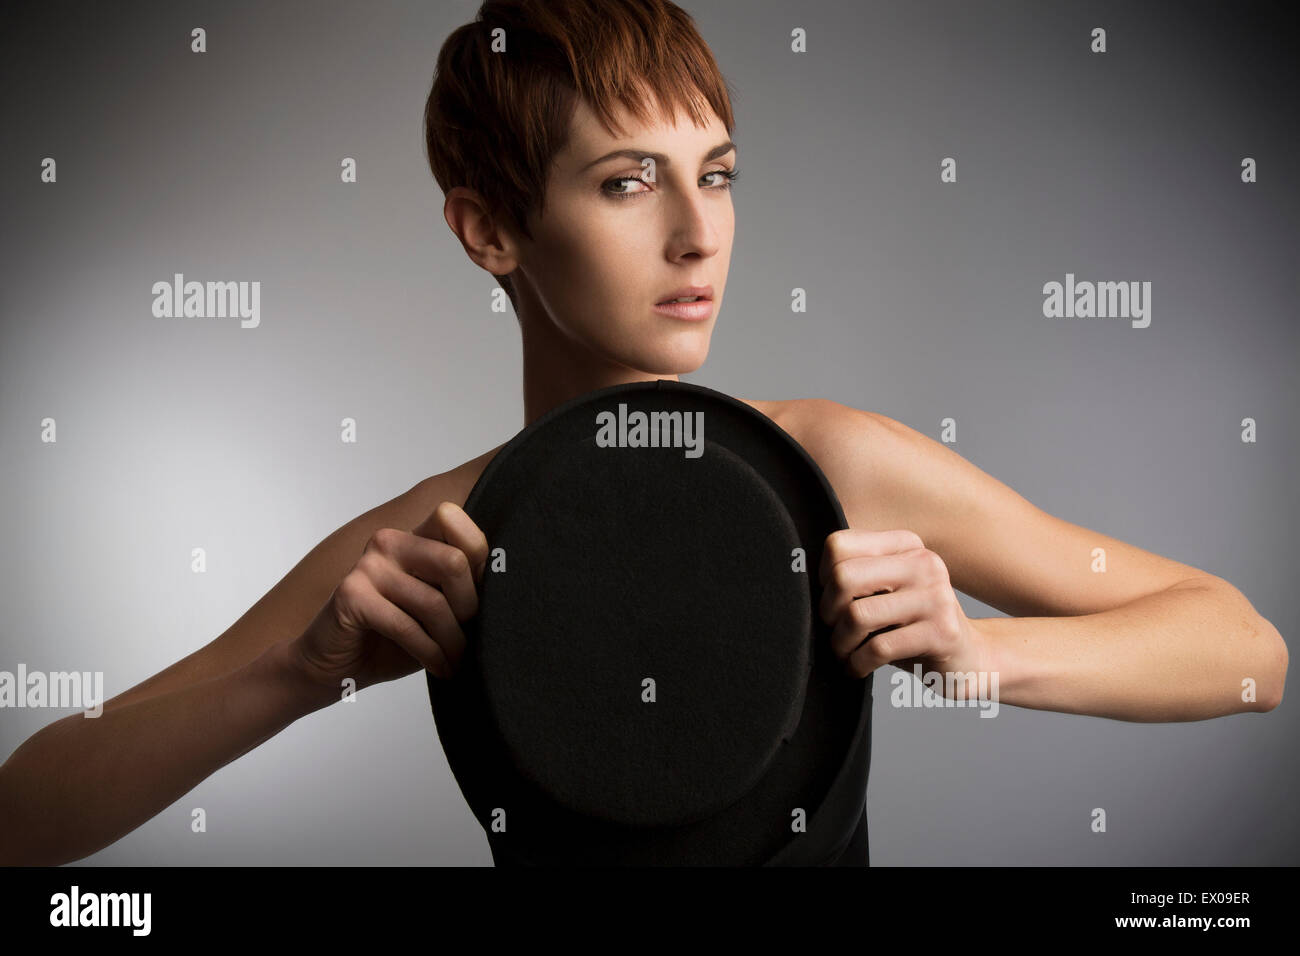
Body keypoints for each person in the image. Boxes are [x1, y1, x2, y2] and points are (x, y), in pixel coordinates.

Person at [0, 0, 1287, 867]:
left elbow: (1245, 647)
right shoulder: (433, 542)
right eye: (628, 181)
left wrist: (982, 658)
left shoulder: (831, 467)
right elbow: (27, 816)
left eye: (714, 173)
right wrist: (299, 671)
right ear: (488, 230)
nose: (698, 231)